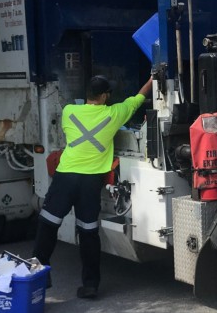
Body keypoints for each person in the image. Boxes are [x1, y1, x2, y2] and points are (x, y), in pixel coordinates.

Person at [32, 73, 153, 299]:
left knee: (48, 225)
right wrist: (152, 78)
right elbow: (138, 98)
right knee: (88, 233)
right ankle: (90, 285)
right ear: (105, 96)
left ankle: (38, 275)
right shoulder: (114, 114)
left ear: (87, 95)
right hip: (90, 181)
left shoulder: (69, 112)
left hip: (65, 176)